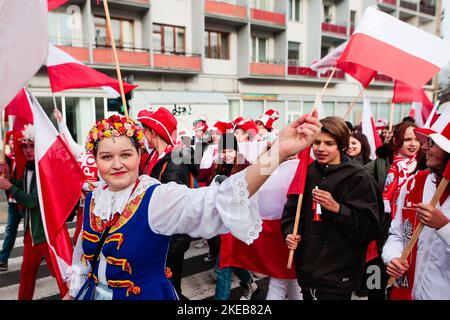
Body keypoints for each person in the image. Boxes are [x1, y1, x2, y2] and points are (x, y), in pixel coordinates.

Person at [63, 113, 322, 300]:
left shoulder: (158, 198)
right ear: (95, 159)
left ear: (139, 156)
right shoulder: (95, 198)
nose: (116, 164)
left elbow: (222, 197)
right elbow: (83, 258)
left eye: (126, 155)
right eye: (106, 157)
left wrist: (276, 153)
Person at [281, 116, 384, 300]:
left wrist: (338, 209)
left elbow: (370, 229)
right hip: (307, 273)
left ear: (342, 145)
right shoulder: (306, 172)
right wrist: (289, 233)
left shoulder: (359, 178)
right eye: (317, 142)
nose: (321, 148)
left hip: (339, 277)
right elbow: (290, 214)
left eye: (329, 143)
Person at [382, 118, 450, 300]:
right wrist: (393, 257)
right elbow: (396, 233)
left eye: (433, 143)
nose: (424, 147)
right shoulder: (413, 183)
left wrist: (444, 226)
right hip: (403, 293)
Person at [0, 125, 68, 299]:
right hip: (32, 233)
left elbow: (31, 200)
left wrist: (10, 187)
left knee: (63, 277)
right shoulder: (30, 167)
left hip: (48, 233)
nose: (28, 150)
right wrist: (9, 179)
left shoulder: (44, 168)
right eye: (25, 146)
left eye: (31, 145)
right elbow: (22, 187)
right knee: (27, 275)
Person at [136, 107, 195, 300]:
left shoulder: (174, 161)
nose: (143, 134)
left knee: (170, 289)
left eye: (144, 130)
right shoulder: (154, 157)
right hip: (159, 235)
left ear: (153, 132)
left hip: (172, 239)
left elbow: (172, 205)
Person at [199, 133, 258, 300]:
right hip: (222, 221)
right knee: (231, 258)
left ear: (236, 150)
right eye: (223, 151)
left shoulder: (246, 166)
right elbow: (203, 178)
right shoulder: (217, 165)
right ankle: (249, 284)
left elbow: (251, 192)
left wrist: (232, 184)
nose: (227, 155)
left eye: (230, 151)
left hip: (238, 223)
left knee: (222, 266)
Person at [0, 131, 22, 272]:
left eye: (16, 139)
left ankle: (43, 254)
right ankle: (3, 259)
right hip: (13, 202)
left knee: (35, 232)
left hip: (25, 201)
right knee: (10, 230)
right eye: (11, 140)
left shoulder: (26, 158)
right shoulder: (6, 159)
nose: (13, 142)